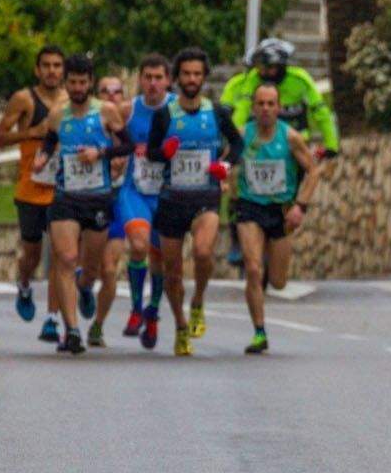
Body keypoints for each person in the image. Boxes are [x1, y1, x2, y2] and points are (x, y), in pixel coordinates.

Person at [32, 54, 133, 355]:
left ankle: (85, 287)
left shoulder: (107, 112)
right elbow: (50, 140)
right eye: (72, 82)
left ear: (90, 82)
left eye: (82, 82)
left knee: (90, 268)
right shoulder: (57, 113)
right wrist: (42, 157)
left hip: (98, 198)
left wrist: (101, 153)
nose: (77, 87)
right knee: (65, 258)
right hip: (66, 197)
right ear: (67, 83)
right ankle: (72, 329)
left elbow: (127, 145)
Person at [145, 47, 242, 357]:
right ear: (177, 78)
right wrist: (165, 152)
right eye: (186, 73)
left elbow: (238, 144)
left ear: (204, 77)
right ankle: (181, 325)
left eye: (197, 74)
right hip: (172, 199)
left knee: (202, 252)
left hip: (206, 197)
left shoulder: (216, 113)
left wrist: (225, 166)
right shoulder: (165, 115)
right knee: (172, 273)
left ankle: (198, 300)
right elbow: (151, 153)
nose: (191, 79)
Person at [219, 38, 338, 266]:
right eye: (261, 67)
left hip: (291, 151)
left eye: (270, 67)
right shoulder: (251, 80)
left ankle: (279, 237)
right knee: (235, 187)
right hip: (256, 147)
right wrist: (233, 140)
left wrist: (331, 144)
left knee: (289, 198)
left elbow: (320, 110)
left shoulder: (300, 80)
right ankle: (236, 236)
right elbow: (241, 110)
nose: (265, 73)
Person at [231, 82, 322, 355]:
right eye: (261, 104)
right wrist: (221, 178)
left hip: (280, 211)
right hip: (249, 207)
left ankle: (267, 269)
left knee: (279, 282)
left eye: (271, 104)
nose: (266, 109)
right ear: (254, 108)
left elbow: (314, 172)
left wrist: (300, 206)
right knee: (253, 268)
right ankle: (259, 331)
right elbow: (225, 161)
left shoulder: (291, 137)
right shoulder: (243, 135)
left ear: (279, 108)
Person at [0, 45, 66, 343]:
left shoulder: (69, 100)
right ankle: (23, 282)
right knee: (32, 255)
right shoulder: (24, 99)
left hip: (62, 189)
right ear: (37, 70)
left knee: (61, 255)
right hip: (31, 189)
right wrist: (32, 133)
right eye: (46, 65)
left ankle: (52, 318)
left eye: (57, 65)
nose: (52, 71)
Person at [112, 55, 174, 350]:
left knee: (161, 259)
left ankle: (153, 313)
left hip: (166, 195)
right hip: (134, 191)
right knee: (138, 245)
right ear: (139, 79)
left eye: (158, 77)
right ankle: (137, 308)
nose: (152, 83)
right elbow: (111, 140)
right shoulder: (128, 110)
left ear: (168, 80)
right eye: (147, 77)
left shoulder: (178, 110)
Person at [89, 74, 131, 348]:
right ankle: (82, 289)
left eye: (117, 91)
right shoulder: (88, 123)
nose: (111, 96)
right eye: (105, 91)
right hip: (88, 200)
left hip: (117, 201)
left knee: (109, 269)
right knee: (86, 269)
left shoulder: (132, 126)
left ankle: (98, 325)